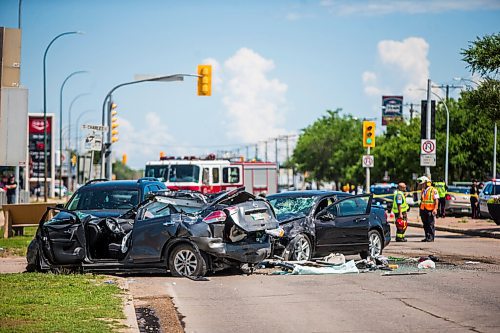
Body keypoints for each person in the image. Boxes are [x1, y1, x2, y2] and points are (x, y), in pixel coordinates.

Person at [418, 176, 439, 242]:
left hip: (430, 209)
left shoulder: (433, 190)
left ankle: (431, 237)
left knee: (430, 224)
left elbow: (436, 200)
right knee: (425, 224)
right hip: (423, 209)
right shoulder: (423, 190)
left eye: (423, 183)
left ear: (427, 183)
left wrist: (435, 209)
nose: (422, 185)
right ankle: (427, 236)